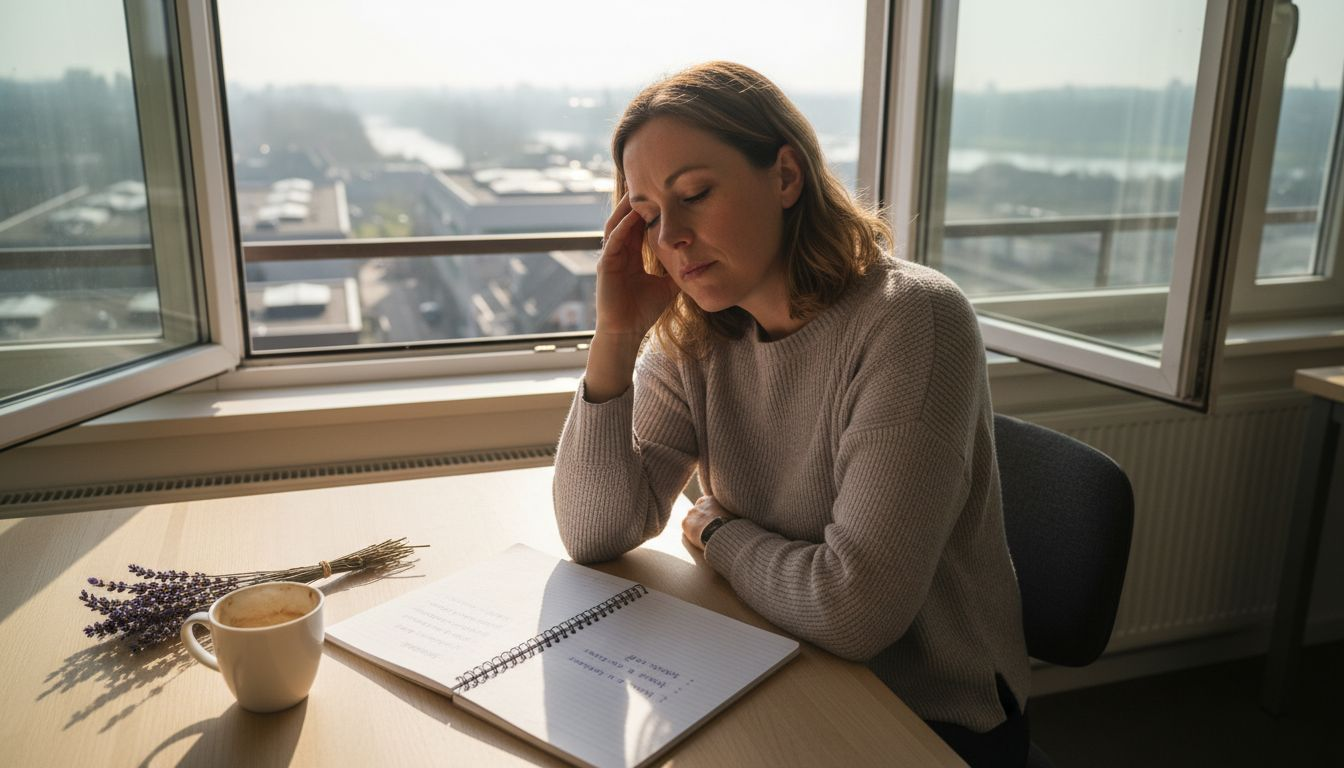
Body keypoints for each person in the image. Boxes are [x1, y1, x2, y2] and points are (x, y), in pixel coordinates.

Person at [552, 61, 1030, 768]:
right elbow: (595, 532)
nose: (670, 235)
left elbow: (854, 612)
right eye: (648, 215)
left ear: (784, 176)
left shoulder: (912, 321)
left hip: (927, 717)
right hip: (776, 661)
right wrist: (616, 336)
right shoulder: (698, 334)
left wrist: (718, 533)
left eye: (694, 194)